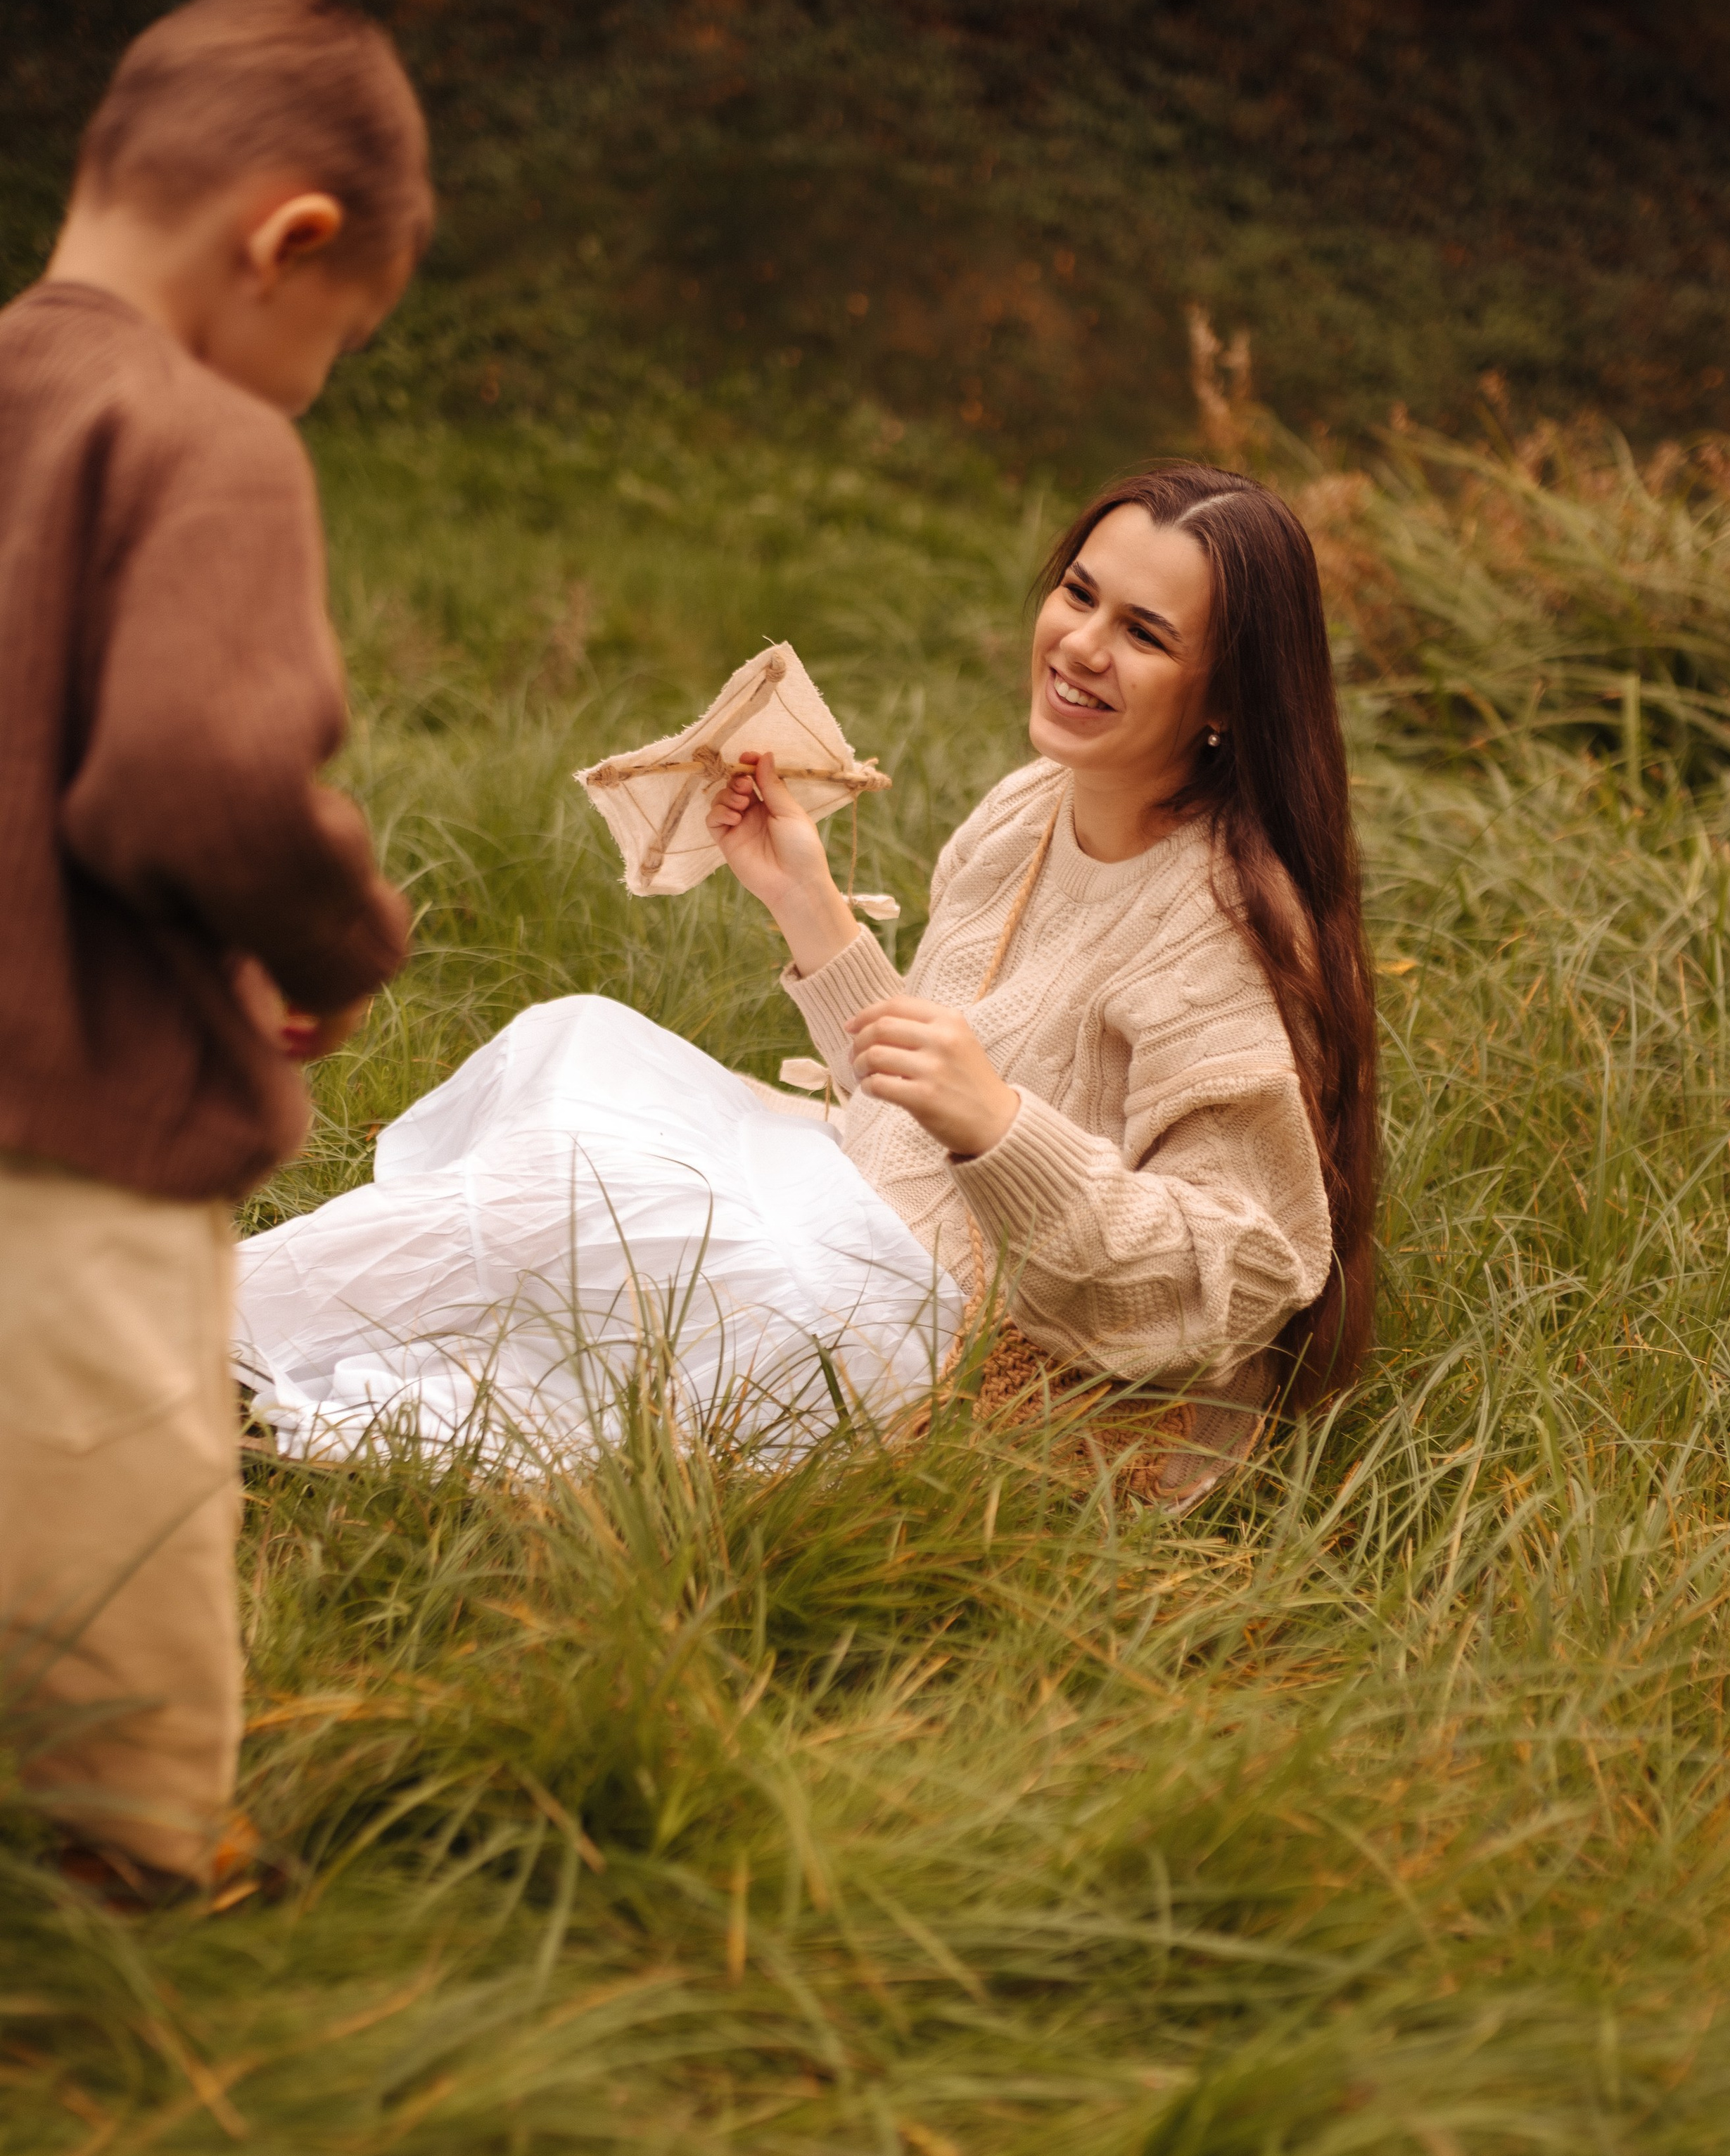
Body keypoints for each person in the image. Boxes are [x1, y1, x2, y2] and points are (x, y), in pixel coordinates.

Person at [231, 461, 1376, 1491]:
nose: (1081, 645)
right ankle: (215, 1326)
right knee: (574, 1046)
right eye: (1078, 594)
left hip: (1005, 1359)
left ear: (1228, 698)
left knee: (598, 1193)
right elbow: (915, 1094)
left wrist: (1004, 1129)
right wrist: (808, 905)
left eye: (1146, 633)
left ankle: (182, 1330)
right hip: (871, 1223)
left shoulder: (1225, 924)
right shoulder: (1028, 810)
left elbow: (1248, 1272)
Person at [0, 0, 428, 1905]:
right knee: (121, 1529)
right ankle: (145, 1875)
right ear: (291, 241)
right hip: (67, 1125)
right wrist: (339, 934)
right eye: (329, 346)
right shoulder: (204, 442)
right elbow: (185, 772)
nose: (304, 393)